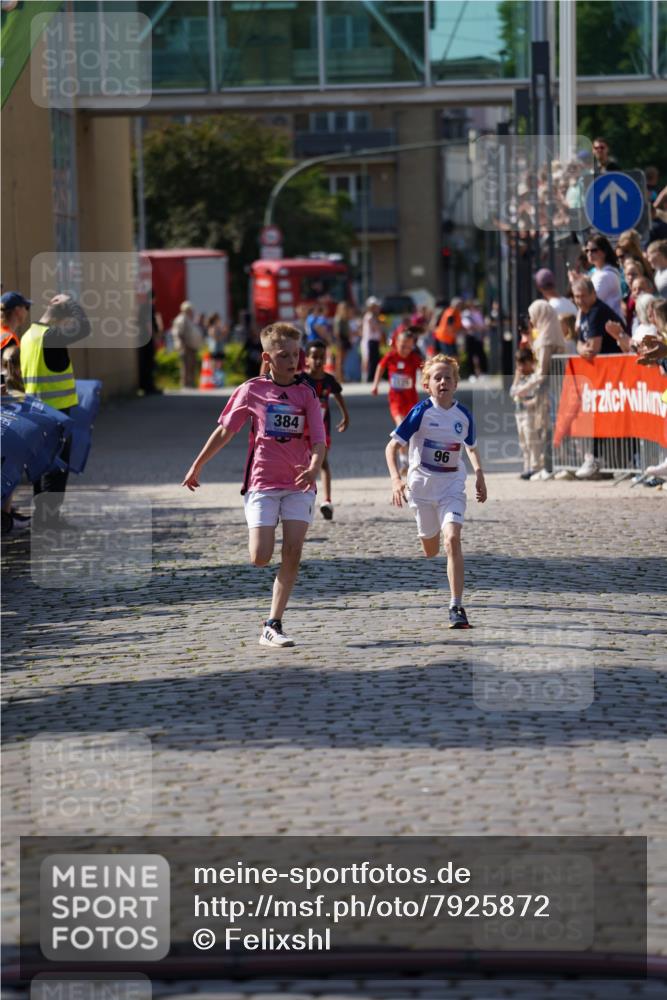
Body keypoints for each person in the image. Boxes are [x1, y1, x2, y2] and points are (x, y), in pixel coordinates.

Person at [182, 322, 326, 649]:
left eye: (296, 354)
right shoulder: (252, 391)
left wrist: (314, 468)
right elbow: (225, 430)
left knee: (293, 551)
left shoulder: (306, 393)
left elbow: (319, 441)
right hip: (262, 482)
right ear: (267, 357)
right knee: (260, 557)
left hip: (299, 484)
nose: (293, 361)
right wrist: (198, 464)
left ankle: (273, 624)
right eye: (284, 355)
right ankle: (261, 540)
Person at [385, 354, 487, 630]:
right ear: (426, 385)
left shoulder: (463, 415)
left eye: (448, 378)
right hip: (421, 490)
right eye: (437, 378)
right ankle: (430, 535)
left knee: (452, 539)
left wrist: (479, 474)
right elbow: (391, 447)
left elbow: (471, 447)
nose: (443, 382)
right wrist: (396, 480)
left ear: (456, 383)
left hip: (451, 487)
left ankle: (456, 606)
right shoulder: (421, 412)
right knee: (431, 550)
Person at [20, 293, 88, 518]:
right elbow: (84, 328)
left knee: (40, 465)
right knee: (57, 467)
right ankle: (49, 520)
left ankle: (42, 516)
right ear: (63, 318)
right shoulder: (51, 336)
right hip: (57, 413)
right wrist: (71, 302)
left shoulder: (29, 335)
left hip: (34, 410)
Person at [571, 277, 627, 479]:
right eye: (576, 297)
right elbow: (580, 343)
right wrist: (581, 349)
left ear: (593, 294)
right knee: (597, 417)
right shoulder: (585, 313)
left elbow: (593, 348)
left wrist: (583, 349)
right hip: (601, 376)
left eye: (583, 296)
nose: (580, 301)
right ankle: (597, 460)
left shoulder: (597, 311)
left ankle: (614, 462)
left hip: (616, 374)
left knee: (609, 418)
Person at [513, 300, 567, 480]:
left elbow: (541, 372)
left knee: (547, 430)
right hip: (554, 387)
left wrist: (523, 388)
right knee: (548, 429)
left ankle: (551, 467)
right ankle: (551, 465)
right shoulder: (551, 333)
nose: (531, 320)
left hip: (549, 389)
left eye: (532, 315)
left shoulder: (545, 339)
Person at [303, 340, 349, 520]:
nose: (318, 361)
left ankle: (327, 501)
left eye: (322, 357)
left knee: (323, 462)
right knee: (302, 462)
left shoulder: (329, 380)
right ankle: (303, 499)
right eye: (314, 357)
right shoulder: (301, 380)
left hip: (322, 430)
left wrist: (345, 415)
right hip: (302, 431)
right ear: (306, 359)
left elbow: (338, 395)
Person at [371, 327, 423, 473]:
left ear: (413, 346)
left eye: (409, 346)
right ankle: (404, 461)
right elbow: (380, 367)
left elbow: (424, 369)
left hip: (411, 399)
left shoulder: (414, 357)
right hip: (396, 399)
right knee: (401, 426)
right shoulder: (391, 356)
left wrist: (427, 383)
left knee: (413, 430)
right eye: (402, 345)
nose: (405, 349)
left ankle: (412, 460)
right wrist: (375, 385)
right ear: (396, 343)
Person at [509, 347, 542, 480]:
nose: (521, 367)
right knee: (523, 442)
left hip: (530, 413)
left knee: (531, 440)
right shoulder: (520, 377)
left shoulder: (534, 377)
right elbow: (512, 392)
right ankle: (526, 467)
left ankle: (535, 467)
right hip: (519, 413)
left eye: (524, 364)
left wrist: (531, 402)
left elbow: (539, 396)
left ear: (531, 362)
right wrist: (516, 378)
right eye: (519, 364)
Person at [584, 234, 623, 316]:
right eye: (587, 250)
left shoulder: (606, 275)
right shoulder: (597, 272)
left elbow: (590, 301)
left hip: (609, 321)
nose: (589, 253)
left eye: (594, 250)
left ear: (604, 252)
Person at [137, 291, 163, 395]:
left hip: (141, 339)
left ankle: (145, 386)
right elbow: (149, 323)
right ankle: (150, 387)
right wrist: (155, 337)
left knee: (144, 363)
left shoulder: (142, 307)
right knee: (149, 362)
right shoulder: (149, 307)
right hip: (147, 338)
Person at [172, 301, 202, 388]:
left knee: (191, 365)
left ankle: (190, 382)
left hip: (191, 346)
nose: (191, 311)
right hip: (185, 346)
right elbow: (179, 333)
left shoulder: (189, 319)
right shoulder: (181, 319)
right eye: (190, 310)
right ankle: (185, 383)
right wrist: (183, 344)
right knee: (186, 365)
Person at [361, 296, 385, 382]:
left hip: (374, 341)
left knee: (375, 359)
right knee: (371, 359)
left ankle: (374, 376)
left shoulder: (374, 316)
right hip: (370, 341)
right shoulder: (370, 316)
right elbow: (376, 328)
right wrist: (381, 324)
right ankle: (370, 377)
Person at [1, 290, 31, 357]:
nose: (27, 312)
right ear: (17, 310)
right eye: (27, 307)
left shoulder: (3, 334)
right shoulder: (9, 339)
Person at [332, 301, 351, 383]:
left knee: (343, 360)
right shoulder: (338, 319)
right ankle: (339, 377)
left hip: (345, 339)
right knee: (339, 360)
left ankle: (341, 376)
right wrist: (339, 342)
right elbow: (336, 332)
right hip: (340, 340)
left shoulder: (345, 319)